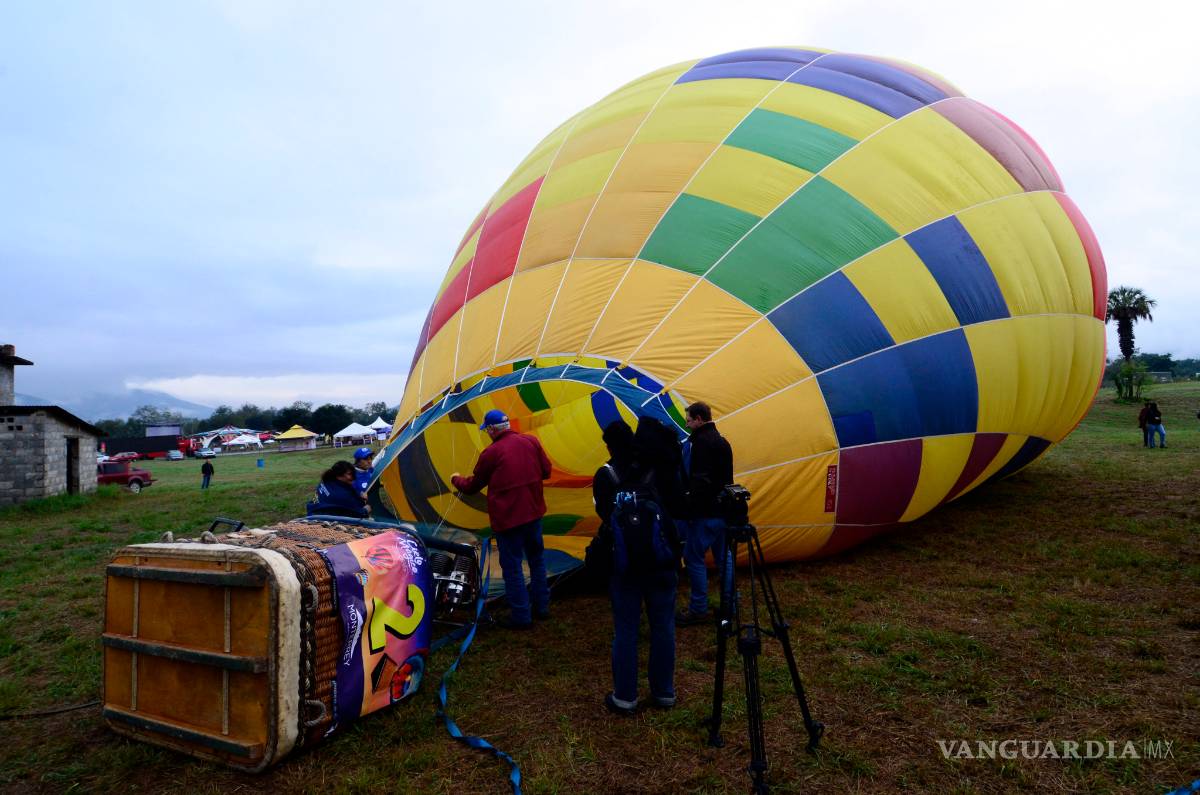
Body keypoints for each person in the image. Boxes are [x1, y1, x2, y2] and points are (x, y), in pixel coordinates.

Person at [593, 419, 681, 715]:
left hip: (625, 565)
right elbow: (676, 504)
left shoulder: (605, 474)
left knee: (626, 629)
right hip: (662, 561)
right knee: (663, 626)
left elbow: (604, 515)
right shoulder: (658, 465)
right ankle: (664, 693)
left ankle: (625, 697)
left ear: (608, 445)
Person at [452, 410, 552, 629]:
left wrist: (455, 479)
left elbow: (471, 486)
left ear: (490, 429)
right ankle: (542, 607)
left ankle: (521, 617)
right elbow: (547, 471)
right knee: (537, 560)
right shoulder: (531, 441)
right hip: (534, 514)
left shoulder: (492, 452)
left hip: (509, 522)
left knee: (513, 566)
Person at [675, 401, 734, 626]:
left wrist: (689, 506)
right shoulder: (723, 442)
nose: (687, 424)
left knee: (693, 557)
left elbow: (699, 481)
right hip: (722, 510)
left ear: (699, 419)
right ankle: (730, 605)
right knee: (723, 558)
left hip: (704, 512)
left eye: (689, 419)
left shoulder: (699, 444)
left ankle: (698, 607)